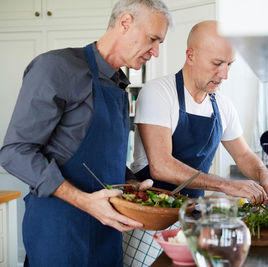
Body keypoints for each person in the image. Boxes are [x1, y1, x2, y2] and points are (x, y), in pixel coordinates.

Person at [0, 0, 170, 266]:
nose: (156, 52)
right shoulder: (56, 67)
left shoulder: (118, 85)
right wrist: (84, 201)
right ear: (125, 23)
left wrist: (131, 185)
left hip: (108, 231)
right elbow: (14, 152)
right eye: (153, 39)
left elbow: (101, 156)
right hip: (60, 232)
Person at [122, 20, 268, 267]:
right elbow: (161, 166)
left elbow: (242, 156)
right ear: (191, 55)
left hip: (192, 219)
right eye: (217, 64)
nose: (225, 75)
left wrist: (266, 176)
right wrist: (226, 186)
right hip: (152, 218)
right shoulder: (158, 93)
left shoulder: (222, 104)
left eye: (229, 65)